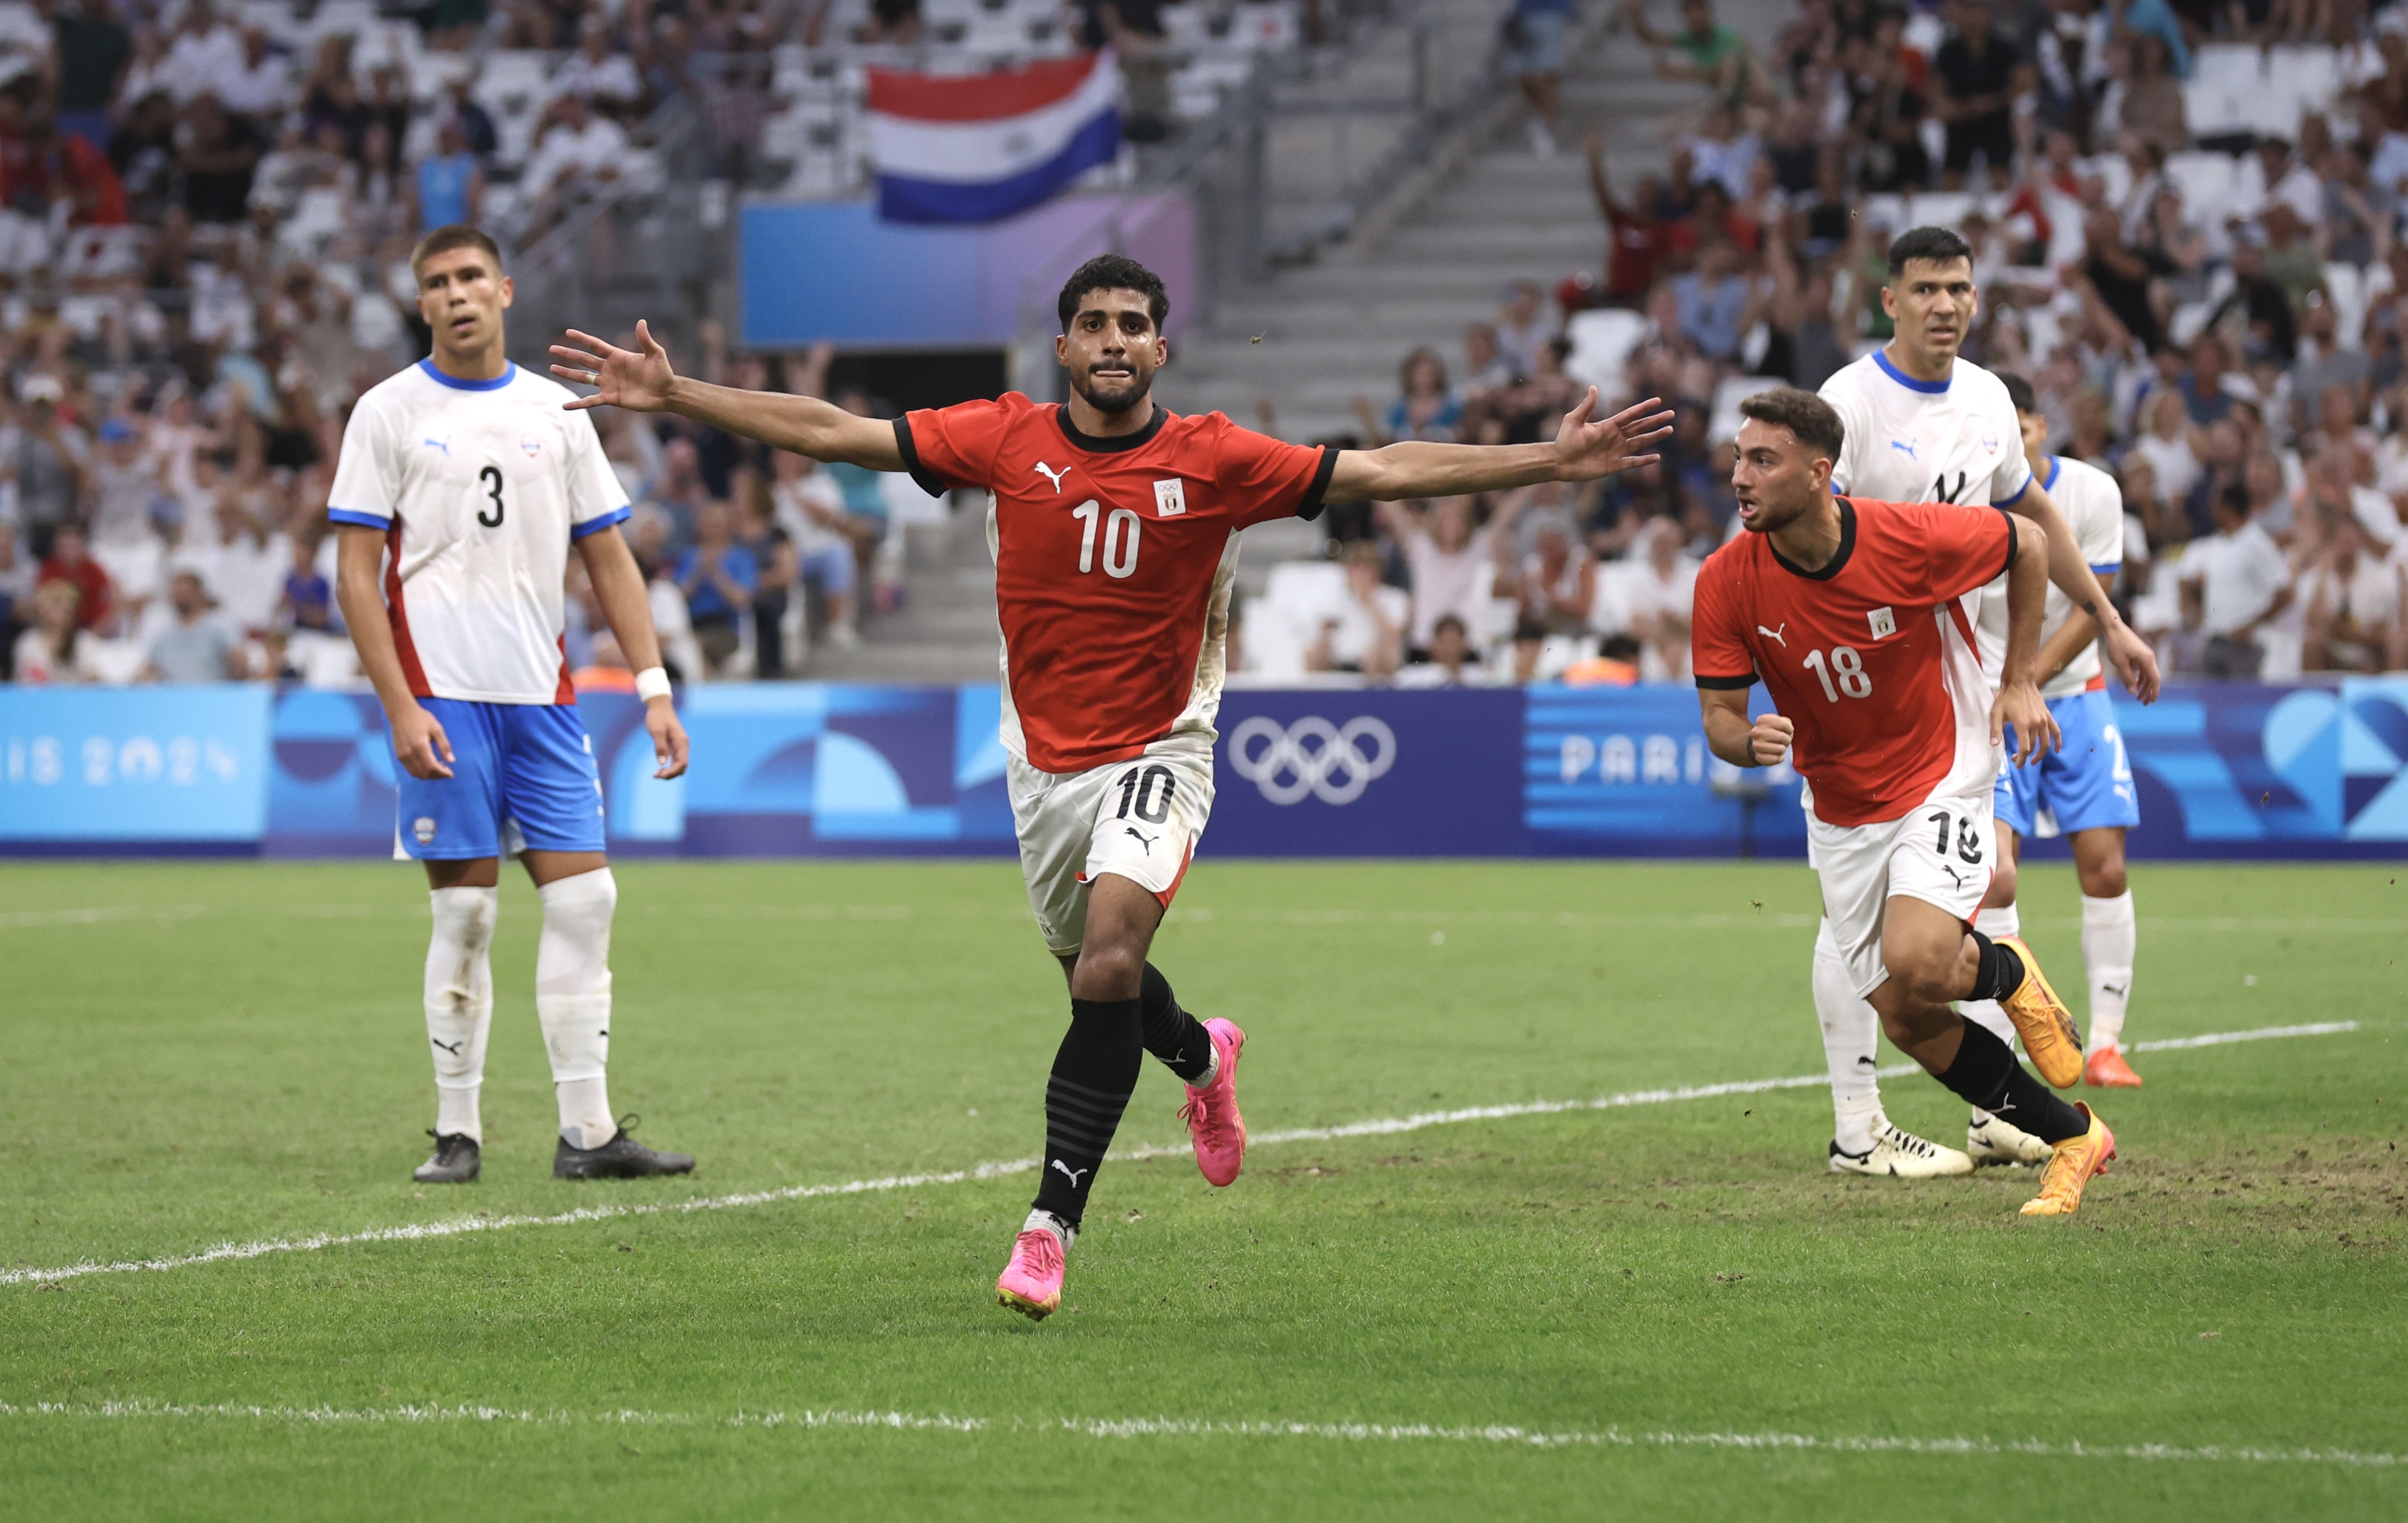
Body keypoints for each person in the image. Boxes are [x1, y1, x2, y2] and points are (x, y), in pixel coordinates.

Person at [551, 253, 1671, 1319]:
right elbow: (837, 432)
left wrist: (1547, 458)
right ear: (1064, 346)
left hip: (1162, 749)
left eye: (1132, 325)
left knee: (1110, 956)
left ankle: (1050, 1225)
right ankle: (1201, 1053)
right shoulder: (1003, 436)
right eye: (1094, 324)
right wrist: (678, 393)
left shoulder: (1217, 457)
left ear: (1161, 348)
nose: (1113, 341)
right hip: (1043, 764)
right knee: (1102, 984)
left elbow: (1382, 469)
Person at [329, 225, 695, 1188]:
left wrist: (654, 688)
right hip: (445, 700)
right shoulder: (388, 411)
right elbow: (356, 575)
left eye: (469, 278)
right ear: (422, 304)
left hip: (545, 700)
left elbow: (608, 556)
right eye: (436, 283)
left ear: (504, 289)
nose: (455, 295)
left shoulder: (558, 409)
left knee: (588, 899)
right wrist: (401, 707)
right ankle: (458, 1133)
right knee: (468, 919)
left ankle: (589, 1131)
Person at [1695, 388, 2118, 1217]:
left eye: (1761, 459)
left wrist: (2021, 676)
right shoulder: (1725, 581)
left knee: (1922, 958)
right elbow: (1717, 717)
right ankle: (2074, 1134)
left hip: (1942, 765)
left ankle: (2003, 973)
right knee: (1906, 1017)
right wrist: (1748, 741)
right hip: (1842, 804)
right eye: (1738, 458)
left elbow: (2028, 543)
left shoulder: (1900, 536)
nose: (1738, 477)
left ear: (1821, 474)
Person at [1812, 225, 2159, 1178]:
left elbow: (2034, 519)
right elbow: (1809, 536)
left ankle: (1952, 1116)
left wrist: (2108, 619)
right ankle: (1861, 1121)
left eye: (1959, 288)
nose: (1945, 304)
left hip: (1959, 687)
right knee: (1864, 912)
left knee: (1958, 893)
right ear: (1890, 299)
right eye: (1924, 288)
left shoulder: (1991, 400)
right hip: (1864, 689)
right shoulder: (1851, 401)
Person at [1983, 373, 2144, 1089]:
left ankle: (2106, 1043)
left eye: (2021, 428)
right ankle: (2008, 1050)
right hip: (1987, 702)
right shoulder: (1961, 496)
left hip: (2073, 697)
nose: (2012, 444)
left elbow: (2093, 602)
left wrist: (2030, 681)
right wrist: (2008, 687)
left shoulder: (2092, 492)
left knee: (2106, 867)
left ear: (2040, 426)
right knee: (1993, 880)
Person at [2181, 483, 2291, 677]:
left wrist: (2252, 625)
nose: (2210, 507)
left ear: (2226, 507)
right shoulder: (2217, 544)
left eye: (2215, 502)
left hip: (2244, 646)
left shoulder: (2256, 542)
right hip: (2215, 639)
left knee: (2241, 702)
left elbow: (2285, 592)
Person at [144, 569, 242, 682]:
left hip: (211, 694)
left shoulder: (220, 626)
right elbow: (148, 668)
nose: (180, 598)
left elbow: (238, 660)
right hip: (172, 696)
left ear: (199, 593)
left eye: (186, 593)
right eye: (177, 594)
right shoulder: (163, 634)